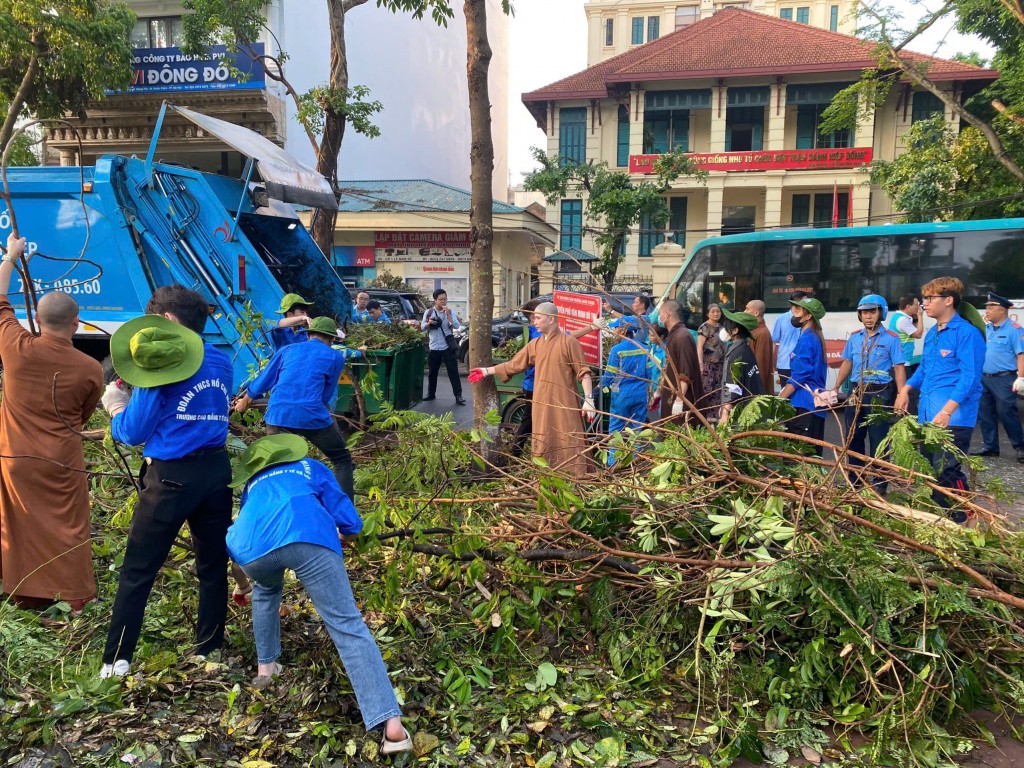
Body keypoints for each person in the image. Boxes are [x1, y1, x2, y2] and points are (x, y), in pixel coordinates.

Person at [226, 434, 412, 755]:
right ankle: (392, 727)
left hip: (249, 551)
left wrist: (241, 582)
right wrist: (343, 533)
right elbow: (349, 520)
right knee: (346, 625)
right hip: (306, 535)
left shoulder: (252, 484)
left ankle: (266, 670)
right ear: (290, 453)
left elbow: (253, 525)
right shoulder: (310, 467)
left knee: (267, 589)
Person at [99, 285, 234, 678]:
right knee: (212, 564)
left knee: (139, 569)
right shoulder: (221, 361)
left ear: (169, 322)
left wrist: (115, 405)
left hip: (171, 477)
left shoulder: (163, 367)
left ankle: (116, 662)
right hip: (216, 472)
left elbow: (134, 430)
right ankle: (209, 650)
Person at [0, 233, 103, 612]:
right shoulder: (91, 368)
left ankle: (21, 592)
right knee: (68, 527)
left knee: (17, 522)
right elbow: (82, 416)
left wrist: (12, 256)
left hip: (15, 457)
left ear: (37, 320)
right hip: (62, 459)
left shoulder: (16, 348)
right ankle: (74, 598)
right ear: (77, 323)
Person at [233, 316, 363, 500]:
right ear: (332, 339)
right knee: (341, 459)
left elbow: (265, 378)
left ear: (308, 334)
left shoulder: (288, 350)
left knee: (277, 465)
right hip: (312, 416)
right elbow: (325, 396)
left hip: (278, 415)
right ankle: (345, 517)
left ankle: (274, 503)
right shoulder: (335, 356)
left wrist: (245, 401)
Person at [894, 277, 986, 521]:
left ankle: (965, 518)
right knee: (930, 472)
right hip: (928, 416)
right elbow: (924, 368)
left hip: (953, 418)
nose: (924, 304)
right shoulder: (933, 333)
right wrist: (905, 390)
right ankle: (943, 523)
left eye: (929, 298)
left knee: (947, 471)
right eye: (923, 299)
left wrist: (947, 411)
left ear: (948, 300)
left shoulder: (967, 334)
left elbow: (970, 378)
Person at [469, 302, 595, 477]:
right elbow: (514, 364)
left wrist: (589, 399)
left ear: (551, 319)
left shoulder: (569, 342)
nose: (534, 321)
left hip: (564, 401)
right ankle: (546, 477)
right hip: (542, 402)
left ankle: (575, 476)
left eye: (538, 318)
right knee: (543, 436)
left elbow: (583, 372)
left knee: (569, 435)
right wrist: (486, 371)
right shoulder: (535, 344)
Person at [832, 295, 906, 494]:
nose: (868, 317)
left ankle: (879, 483)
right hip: (855, 391)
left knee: (878, 439)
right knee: (853, 437)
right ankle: (855, 480)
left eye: (872, 312)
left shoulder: (891, 338)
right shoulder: (855, 337)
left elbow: (898, 368)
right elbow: (847, 362)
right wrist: (836, 387)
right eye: (864, 313)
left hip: (879, 393)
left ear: (881, 313)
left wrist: (902, 394)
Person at [972, 292, 1024, 462]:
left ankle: (1020, 446)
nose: (986, 310)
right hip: (984, 377)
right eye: (986, 307)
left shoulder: (1014, 330)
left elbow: (1021, 355)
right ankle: (990, 446)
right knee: (985, 413)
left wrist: (1021, 378)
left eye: (991, 307)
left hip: (1004, 378)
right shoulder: (986, 329)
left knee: (1006, 412)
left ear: (1002, 310)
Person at [778, 297, 828, 455]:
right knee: (811, 457)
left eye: (798, 310)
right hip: (813, 405)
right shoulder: (814, 337)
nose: (794, 312)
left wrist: (779, 399)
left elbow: (800, 375)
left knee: (798, 457)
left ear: (808, 316)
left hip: (804, 405)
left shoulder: (807, 339)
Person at [600, 323, 652, 463]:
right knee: (636, 428)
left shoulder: (617, 350)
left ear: (623, 330)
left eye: (616, 328)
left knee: (616, 429)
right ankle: (634, 462)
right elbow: (649, 373)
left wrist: (600, 386)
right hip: (640, 393)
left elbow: (610, 374)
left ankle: (613, 463)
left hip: (621, 395)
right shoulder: (645, 348)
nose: (614, 331)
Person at [658, 300, 704, 423]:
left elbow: (686, 373)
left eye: (660, 313)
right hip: (671, 394)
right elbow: (670, 366)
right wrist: (659, 391)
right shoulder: (674, 335)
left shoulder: (682, 336)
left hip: (682, 398)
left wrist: (679, 400)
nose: (659, 317)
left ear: (667, 314)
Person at [717, 309, 765, 421]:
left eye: (727, 326)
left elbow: (733, 386)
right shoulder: (744, 348)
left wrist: (726, 411)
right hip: (750, 405)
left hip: (742, 409)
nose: (724, 329)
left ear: (735, 331)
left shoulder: (736, 354)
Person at [510, 299, 542, 455]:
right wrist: (590, 327)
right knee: (529, 421)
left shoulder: (533, 330)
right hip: (534, 385)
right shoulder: (537, 334)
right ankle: (516, 451)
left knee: (532, 420)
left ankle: (520, 450)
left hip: (534, 384)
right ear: (533, 317)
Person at [421, 289, 465, 406]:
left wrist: (448, 315)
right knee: (432, 372)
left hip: (447, 347)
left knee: (453, 372)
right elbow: (422, 327)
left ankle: (458, 395)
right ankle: (431, 393)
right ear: (435, 300)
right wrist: (429, 323)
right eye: (441, 299)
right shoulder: (429, 312)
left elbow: (456, 325)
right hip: (434, 346)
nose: (443, 301)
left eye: (445, 299)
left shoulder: (450, 311)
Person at [888, 294, 924, 414]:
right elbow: (918, 334)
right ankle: (911, 419)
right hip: (903, 362)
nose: (918, 307)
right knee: (909, 393)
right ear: (908, 306)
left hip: (899, 360)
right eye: (916, 305)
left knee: (896, 391)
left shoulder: (898, 317)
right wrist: (920, 316)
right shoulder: (902, 320)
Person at [772, 290, 809, 388]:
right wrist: (772, 362)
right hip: (785, 364)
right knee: (786, 396)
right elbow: (774, 342)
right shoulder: (781, 319)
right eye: (804, 302)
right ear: (796, 303)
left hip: (802, 363)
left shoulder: (808, 319)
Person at [696, 304, 725, 419]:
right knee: (707, 389)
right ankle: (704, 415)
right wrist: (700, 364)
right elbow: (699, 347)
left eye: (718, 311)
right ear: (708, 314)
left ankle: (714, 416)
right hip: (707, 364)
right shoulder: (704, 327)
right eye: (713, 311)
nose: (716, 313)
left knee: (717, 389)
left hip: (720, 363)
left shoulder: (722, 328)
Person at [743, 299, 775, 394]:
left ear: (756, 313)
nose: (744, 312)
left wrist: (756, 389)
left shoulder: (762, 333)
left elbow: (761, 364)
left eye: (747, 309)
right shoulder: (754, 330)